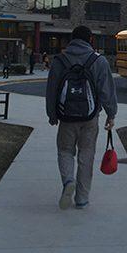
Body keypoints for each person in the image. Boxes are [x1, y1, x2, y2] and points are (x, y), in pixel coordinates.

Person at [45, 25, 117, 210]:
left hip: (66, 117)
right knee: (87, 154)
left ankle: (68, 180)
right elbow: (106, 90)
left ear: (71, 39)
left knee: (65, 150)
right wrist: (111, 113)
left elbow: (52, 89)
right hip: (90, 116)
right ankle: (82, 198)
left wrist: (52, 114)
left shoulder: (59, 60)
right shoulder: (98, 61)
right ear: (90, 39)